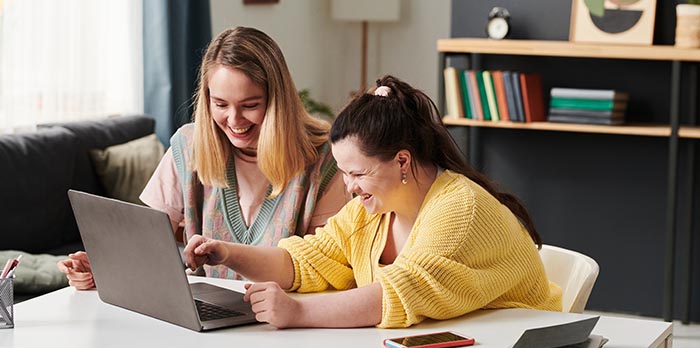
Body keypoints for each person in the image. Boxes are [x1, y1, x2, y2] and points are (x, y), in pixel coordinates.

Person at [183, 75, 563, 329]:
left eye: (358, 174)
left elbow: (394, 295)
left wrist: (296, 311)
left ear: (402, 160)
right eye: (345, 173)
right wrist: (228, 254)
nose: (348, 187)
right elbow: (304, 262)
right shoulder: (372, 211)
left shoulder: (459, 209)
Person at [57, 26, 350, 289]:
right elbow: (146, 246)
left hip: (287, 319)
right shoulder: (189, 145)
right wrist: (103, 268)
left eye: (250, 105)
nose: (234, 120)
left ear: (277, 101)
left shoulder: (323, 159)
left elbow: (322, 267)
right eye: (220, 103)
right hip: (206, 319)